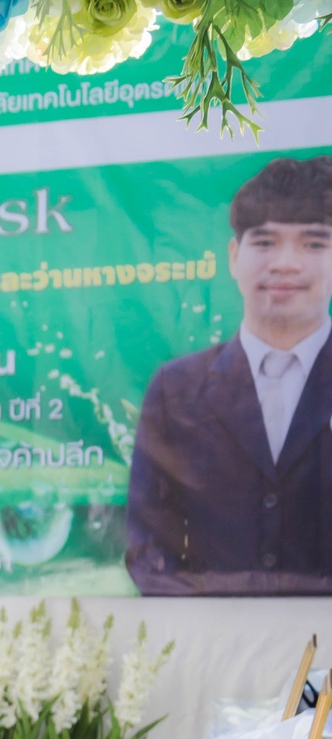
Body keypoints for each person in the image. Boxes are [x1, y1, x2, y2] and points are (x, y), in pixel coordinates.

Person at [127, 155, 332, 595]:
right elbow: (149, 553)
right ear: (234, 257)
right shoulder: (175, 389)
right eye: (265, 243)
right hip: (211, 647)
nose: (286, 264)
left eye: (314, 244)